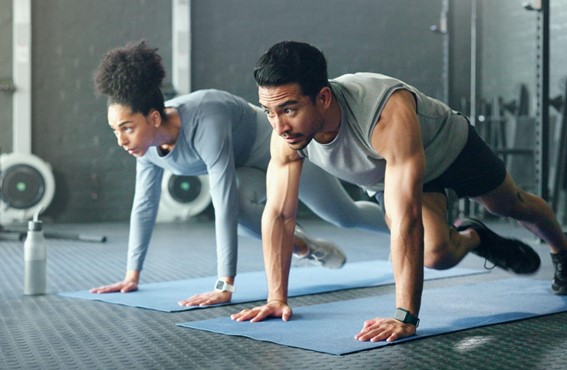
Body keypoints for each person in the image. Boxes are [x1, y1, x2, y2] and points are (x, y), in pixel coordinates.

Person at [231, 41, 567, 342]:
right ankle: (475, 238)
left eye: (288, 109)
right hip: (391, 175)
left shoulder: (384, 111)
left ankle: (565, 252)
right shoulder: (285, 137)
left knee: (510, 204)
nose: (278, 126)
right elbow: (279, 214)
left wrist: (405, 316)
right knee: (436, 255)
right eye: (269, 112)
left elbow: (406, 219)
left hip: (450, 147)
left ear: (322, 97)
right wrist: (276, 297)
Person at [89, 41, 388, 306]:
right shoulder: (146, 149)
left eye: (127, 128)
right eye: (115, 130)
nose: (121, 140)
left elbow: (222, 196)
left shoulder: (206, 114)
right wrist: (132, 276)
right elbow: (144, 207)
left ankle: (403, 226)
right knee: (244, 210)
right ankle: (308, 248)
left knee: (344, 216)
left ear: (154, 118)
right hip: (248, 176)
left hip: (285, 151)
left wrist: (224, 285)